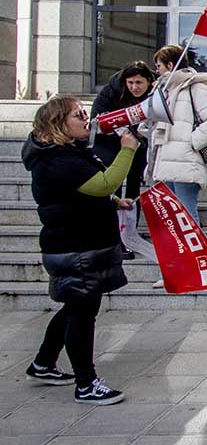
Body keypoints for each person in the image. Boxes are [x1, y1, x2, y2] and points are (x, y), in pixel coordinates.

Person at [23, 96, 138, 404]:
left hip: (78, 243)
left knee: (74, 307)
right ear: (59, 124)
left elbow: (84, 193)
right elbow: (101, 184)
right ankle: (86, 384)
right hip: (75, 246)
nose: (86, 119)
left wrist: (115, 202)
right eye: (78, 115)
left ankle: (43, 363)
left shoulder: (64, 153)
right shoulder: (57, 159)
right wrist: (127, 150)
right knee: (83, 313)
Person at [145, 45, 207, 226]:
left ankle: (195, 256)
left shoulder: (196, 87)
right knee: (171, 220)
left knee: (187, 218)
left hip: (185, 161)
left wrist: (191, 142)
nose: (156, 71)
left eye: (159, 66)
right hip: (164, 160)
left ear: (170, 64)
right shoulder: (163, 89)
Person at [90, 61, 155, 204]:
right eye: (130, 82)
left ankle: (132, 220)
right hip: (111, 143)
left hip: (141, 144)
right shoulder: (111, 91)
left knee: (134, 183)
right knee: (114, 180)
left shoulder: (156, 92)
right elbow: (96, 118)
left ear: (149, 81)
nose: (134, 87)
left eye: (139, 82)